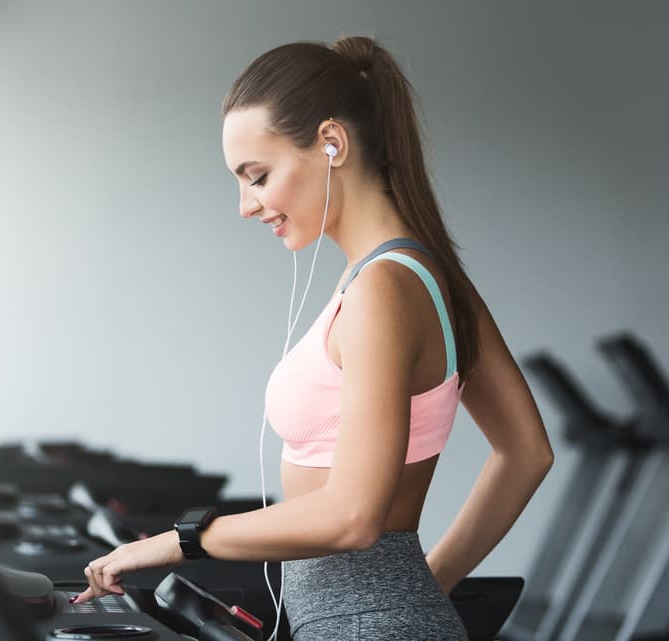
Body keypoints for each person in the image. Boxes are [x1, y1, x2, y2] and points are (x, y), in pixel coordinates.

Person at [72, 36, 554, 641]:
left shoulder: (383, 289)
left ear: (332, 143)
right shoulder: (424, 278)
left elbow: (352, 515)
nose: (247, 206)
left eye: (258, 176)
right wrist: (426, 585)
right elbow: (528, 451)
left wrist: (180, 541)